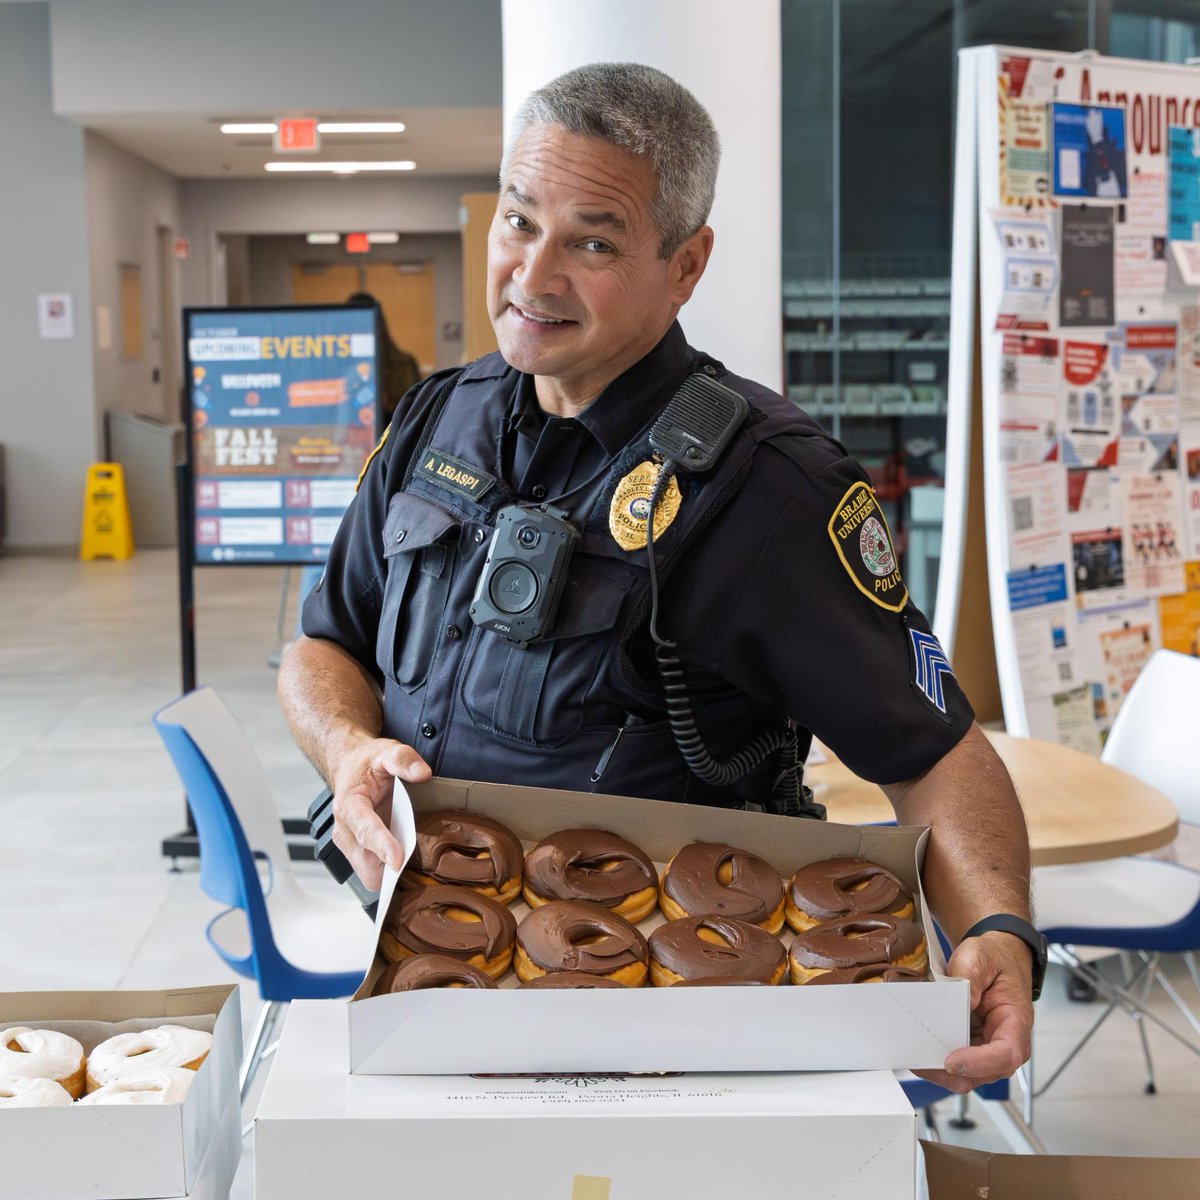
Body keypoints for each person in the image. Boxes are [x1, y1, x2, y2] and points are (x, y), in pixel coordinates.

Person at [278, 62, 1035, 1096]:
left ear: (686, 266)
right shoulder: (436, 417)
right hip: (434, 979)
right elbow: (324, 645)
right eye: (518, 221)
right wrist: (347, 747)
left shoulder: (771, 489)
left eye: (592, 241)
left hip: (680, 1028)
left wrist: (996, 926)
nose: (532, 276)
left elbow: (935, 750)